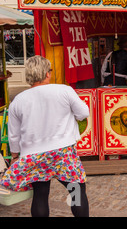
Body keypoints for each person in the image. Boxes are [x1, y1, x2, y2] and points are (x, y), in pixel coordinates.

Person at [0, 55, 90, 217]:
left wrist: (14, 157)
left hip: (34, 155)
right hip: (63, 152)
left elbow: (13, 135)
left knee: (40, 193)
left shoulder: (18, 101)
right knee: (76, 189)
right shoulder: (64, 90)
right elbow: (84, 113)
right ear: (47, 74)